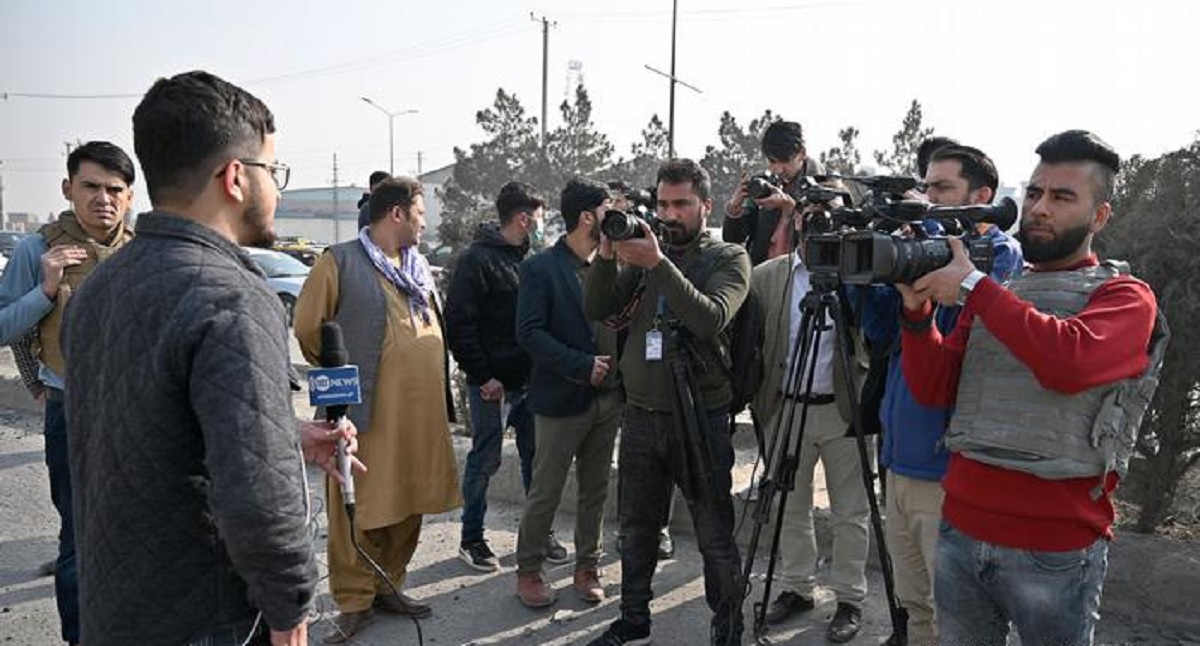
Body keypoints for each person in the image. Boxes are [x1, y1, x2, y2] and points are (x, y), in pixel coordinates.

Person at [61, 70, 358, 646]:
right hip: (207, 618)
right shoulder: (233, 297)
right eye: (273, 170)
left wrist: (285, 433)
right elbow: (259, 498)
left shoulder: (98, 288)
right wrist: (290, 609)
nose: (277, 190)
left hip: (115, 608)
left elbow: (149, 428)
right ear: (236, 177)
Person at [897, 130, 1159, 646]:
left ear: (1100, 216)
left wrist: (974, 287)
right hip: (961, 532)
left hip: (1054, 548)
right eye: (1036, 193)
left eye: (1062, 197)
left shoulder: (1125, 297)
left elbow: (1068, 363)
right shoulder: (1001, 293)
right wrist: (916, 312)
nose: (1039, 208)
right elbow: (934, 388)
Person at [856, 143, 1023, 646]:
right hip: (899, 455)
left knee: (953, 612)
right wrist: (877, 268)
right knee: (914, 604)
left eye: (943, 189)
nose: (929, 200)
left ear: (983, 197)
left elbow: (964, 334)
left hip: (945, 468)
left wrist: (943, 262)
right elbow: (880, 332)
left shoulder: (999, 257)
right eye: (926, 188)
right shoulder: (923, 246)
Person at [585, 159, 750, 646]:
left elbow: (711, 318)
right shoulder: (643, 253)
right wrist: (607, 254)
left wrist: (659, 264)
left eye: (681, 204)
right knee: (636, 530)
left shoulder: (727, 257)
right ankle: (633, 620)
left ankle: (728, 626)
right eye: (662, 204)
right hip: (641, 413)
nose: (670, 214)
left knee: (713, 533)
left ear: (706, 206)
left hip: (699, 416)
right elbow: (597, 307)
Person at [295, 176, 461, 643]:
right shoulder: (340, 261)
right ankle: (354, 601)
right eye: (420, 214)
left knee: (411, 498)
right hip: (366, 412)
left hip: (422, 414)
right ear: (397, 214)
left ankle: (388, 584)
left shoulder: (418, 266)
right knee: (358, 504)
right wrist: (341, 371)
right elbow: (308, 327)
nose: (424, 224)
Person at [0, 140, 136, 646]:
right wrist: (45, 290)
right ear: (68, 188)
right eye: (91, 186)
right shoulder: (36, 251)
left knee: (142, 532)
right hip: (72, 408)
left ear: (129, 197)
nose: (103, 199)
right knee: (79, 538)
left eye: (114, 189)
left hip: (141, 411)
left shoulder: (144, 250)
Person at [749, 198, 871, 642]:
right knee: (789, 505)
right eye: (811, 210)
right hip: (785, 407)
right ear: (796, 216)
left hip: (843, 410)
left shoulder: (859, 273)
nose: (819, 220)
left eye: (829, 211)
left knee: (851, 512)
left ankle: (849, 598)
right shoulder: (768, 276)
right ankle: (797, 587)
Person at [512, 178, 623, 608]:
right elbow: (529, 333)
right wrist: (580, 366)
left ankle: (587, 567)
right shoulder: (540, 268)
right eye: (608, 208)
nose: (616, 215)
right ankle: (529, 570)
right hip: (561, 398)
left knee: (596, 489)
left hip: (608, 399)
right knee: (547, 490)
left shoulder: (614, 263)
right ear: (587, 217)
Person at [445, 181, 567, 571]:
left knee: (536, 461)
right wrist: (483, 376)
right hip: (492, 388)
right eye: (540, 216)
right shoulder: (476, 261)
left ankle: (538, 534)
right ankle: (472, 539)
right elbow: (459, 325)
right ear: (523, 219)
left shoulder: (531, 260)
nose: (544, 223)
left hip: (530, 384)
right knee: (485, 460)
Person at [723, 120, 825, 265]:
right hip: (761, 274)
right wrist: (734, 208)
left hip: (804, 275)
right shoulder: (765, 185)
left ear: (802, 153)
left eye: (785, 161)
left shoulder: (826, 188)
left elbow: (825, 243)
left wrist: (790, 207)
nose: (779, 169)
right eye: (772, 161)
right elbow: (733, 239)